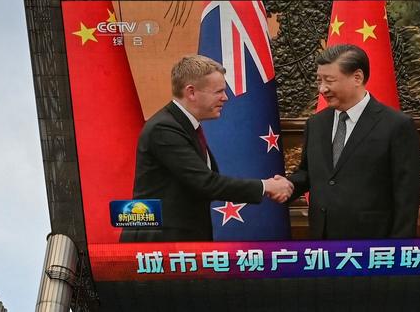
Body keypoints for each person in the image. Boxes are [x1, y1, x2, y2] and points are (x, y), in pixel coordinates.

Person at [120, 55, 292, 242]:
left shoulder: (184, 125)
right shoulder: (164, 129)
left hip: (181, 239)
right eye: (218, 91)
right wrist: (266, 186)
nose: (225, 98)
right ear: (191, 92)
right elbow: (206, 183)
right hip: (159, 243)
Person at [286, 44, 420, 239]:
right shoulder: (316, 123)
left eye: (329, 80)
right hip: (322, 244)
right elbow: (309, 173)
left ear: (357, 77)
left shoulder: (396, 125)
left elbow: (406, 196)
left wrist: (398, 252)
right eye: (319, 80)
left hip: (372, 246)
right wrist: (284, 186)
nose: (322, 88)